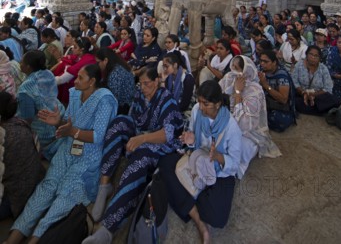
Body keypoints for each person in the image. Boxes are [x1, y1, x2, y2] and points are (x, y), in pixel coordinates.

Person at [5, 65, 118, 244]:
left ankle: (34, 240)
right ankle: (13, 238)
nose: (75, 80)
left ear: (92, 82)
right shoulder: (74, 94)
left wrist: (72, 131)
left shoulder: (105, 100)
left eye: (80, 78)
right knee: (46, 188)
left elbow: (97, 136)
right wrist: (59, 122)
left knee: (64, 197)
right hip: (67, 149)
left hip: (88, 156)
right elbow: (68, 126)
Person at [84, 66, 183, 244]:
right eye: (141, 84)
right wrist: (135, 137)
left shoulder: (166, 99)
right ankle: (104, 185)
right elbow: (133, 118)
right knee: (118, 122)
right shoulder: (140, 95)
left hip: (158, 144)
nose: (143, 88)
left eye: (147, 84)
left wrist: (142, 139)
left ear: (156, 82)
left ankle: (108, 228)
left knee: (141, 158)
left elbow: (167, 134)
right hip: (140, 134)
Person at [158, 80, 242, 243]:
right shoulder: (197, 111)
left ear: (218, 104)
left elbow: (235, 163)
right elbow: (193, 138)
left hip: (219, 172)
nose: (201, 107)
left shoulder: (231, 127)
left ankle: (190, 196)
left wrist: (218, 157)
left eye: (206, 103)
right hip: (197, 159)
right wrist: (189, 140)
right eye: (199, 102)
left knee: (218, 219)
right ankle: (199, 221)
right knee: (165, 163)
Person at [220, 56, 281, 175]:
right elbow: (216, 97)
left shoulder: (255, 91)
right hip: (226, 120)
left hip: (249, 133)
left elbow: (245, 125)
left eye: (236, 68)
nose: (233, 71)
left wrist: (238, 92)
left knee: (239, 148)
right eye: (232, 66)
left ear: (245, 71)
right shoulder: (229, 78)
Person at [0, 91, 45, 220]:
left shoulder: (4, 135)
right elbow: (38, 152)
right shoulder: (23, 124)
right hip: (33, 185)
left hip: (14, 198)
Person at [16, 50, 65, 160]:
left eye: (22, 62)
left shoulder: (25, 90)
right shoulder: (48, 73)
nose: (20, 63)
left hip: (44, 131)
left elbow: (26, 118)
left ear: (28, 67)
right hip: (58, 114)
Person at [292, 45, 340, 115]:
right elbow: (294, 82)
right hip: (301, 95)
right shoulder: (299, 65)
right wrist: (303, 93)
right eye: (311, 54)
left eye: (316, 56)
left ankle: (311, 108)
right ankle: (321, 111)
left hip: (318, 97)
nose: (313, 58)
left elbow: (328, 88)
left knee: (336, 101)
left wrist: (314, 95)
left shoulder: (323, 68)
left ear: (319, 58)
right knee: (294, 99)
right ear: (306, 54)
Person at [258, 50, 296, 132]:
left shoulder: (282, 76)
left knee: (278, 120)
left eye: (265, 61)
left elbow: (283, 99)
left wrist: (265, 85)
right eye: (261, 61)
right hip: (263, 103)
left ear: (274, 62)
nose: (262, 63)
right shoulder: (260, 70)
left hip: (278, 107)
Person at [52, 37, 96, 105]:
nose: (72, 49)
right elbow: (67, 59)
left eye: (75, 47)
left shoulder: (87, 59)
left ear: (82, 49)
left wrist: (47, 82)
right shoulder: (79, 56)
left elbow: (63, 78)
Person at [95, 48, 135, 114]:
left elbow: (112, 98)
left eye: (98, 62)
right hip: (123, 104)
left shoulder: (116, 73)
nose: (97, 65)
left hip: (123, 107)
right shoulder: (117, 66)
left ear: (105, 60)